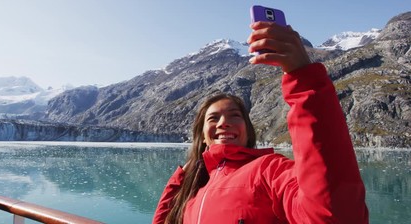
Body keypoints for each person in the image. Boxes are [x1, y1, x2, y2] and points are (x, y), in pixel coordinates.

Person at [152, 21, 369, 224]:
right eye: (213, 118)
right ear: (202, 134)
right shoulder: (195, 191)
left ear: (248, 131)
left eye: (235, 115)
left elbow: (332, 214)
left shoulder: (269, 169)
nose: (224, 123)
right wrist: (180, 178)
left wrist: (303, 78)